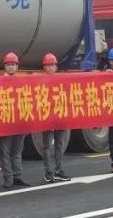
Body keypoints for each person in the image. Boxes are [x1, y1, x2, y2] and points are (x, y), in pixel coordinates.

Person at [0, 52, 30, 190]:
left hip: (19, 123)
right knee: (5, 152)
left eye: (13, 64)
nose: (11, 67)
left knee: (17, 151)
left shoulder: (21, 82)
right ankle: (8, 178)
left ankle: (17, 176)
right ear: (5, 66)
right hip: (6, 123)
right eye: (8, 64)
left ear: (17, 66)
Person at [39, 53, 70, 183]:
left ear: (56, 67)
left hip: (59, 116)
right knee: (47, 146)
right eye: (48, 65)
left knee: (59, 145)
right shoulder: (39, 81)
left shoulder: (61, 80)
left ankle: (58, 170)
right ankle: (48, 172)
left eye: (52, 65)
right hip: (47, 118)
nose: (50, 67)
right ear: (44, 67)